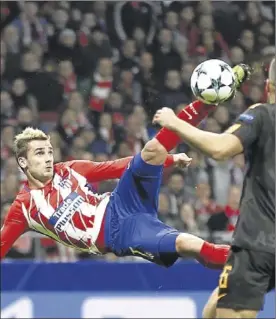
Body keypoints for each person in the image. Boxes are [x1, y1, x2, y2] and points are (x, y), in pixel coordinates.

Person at [0, 63, 249, 269]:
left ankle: (214, 96)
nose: (47, 158)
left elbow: (117, 167)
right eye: (39, 153)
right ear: (23, 161)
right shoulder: (23, 208)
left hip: (121, 200)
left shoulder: (68, 169)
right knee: (187, 244)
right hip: (120, 233)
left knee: (151, 150)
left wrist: (170, 159)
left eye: (49, 152)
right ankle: (253, 262)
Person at [153, 58, 275, 318]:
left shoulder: (263, 114)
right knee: (211, 311)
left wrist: (175, 123)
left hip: (258, 242)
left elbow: (220, 149)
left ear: (268, 86)